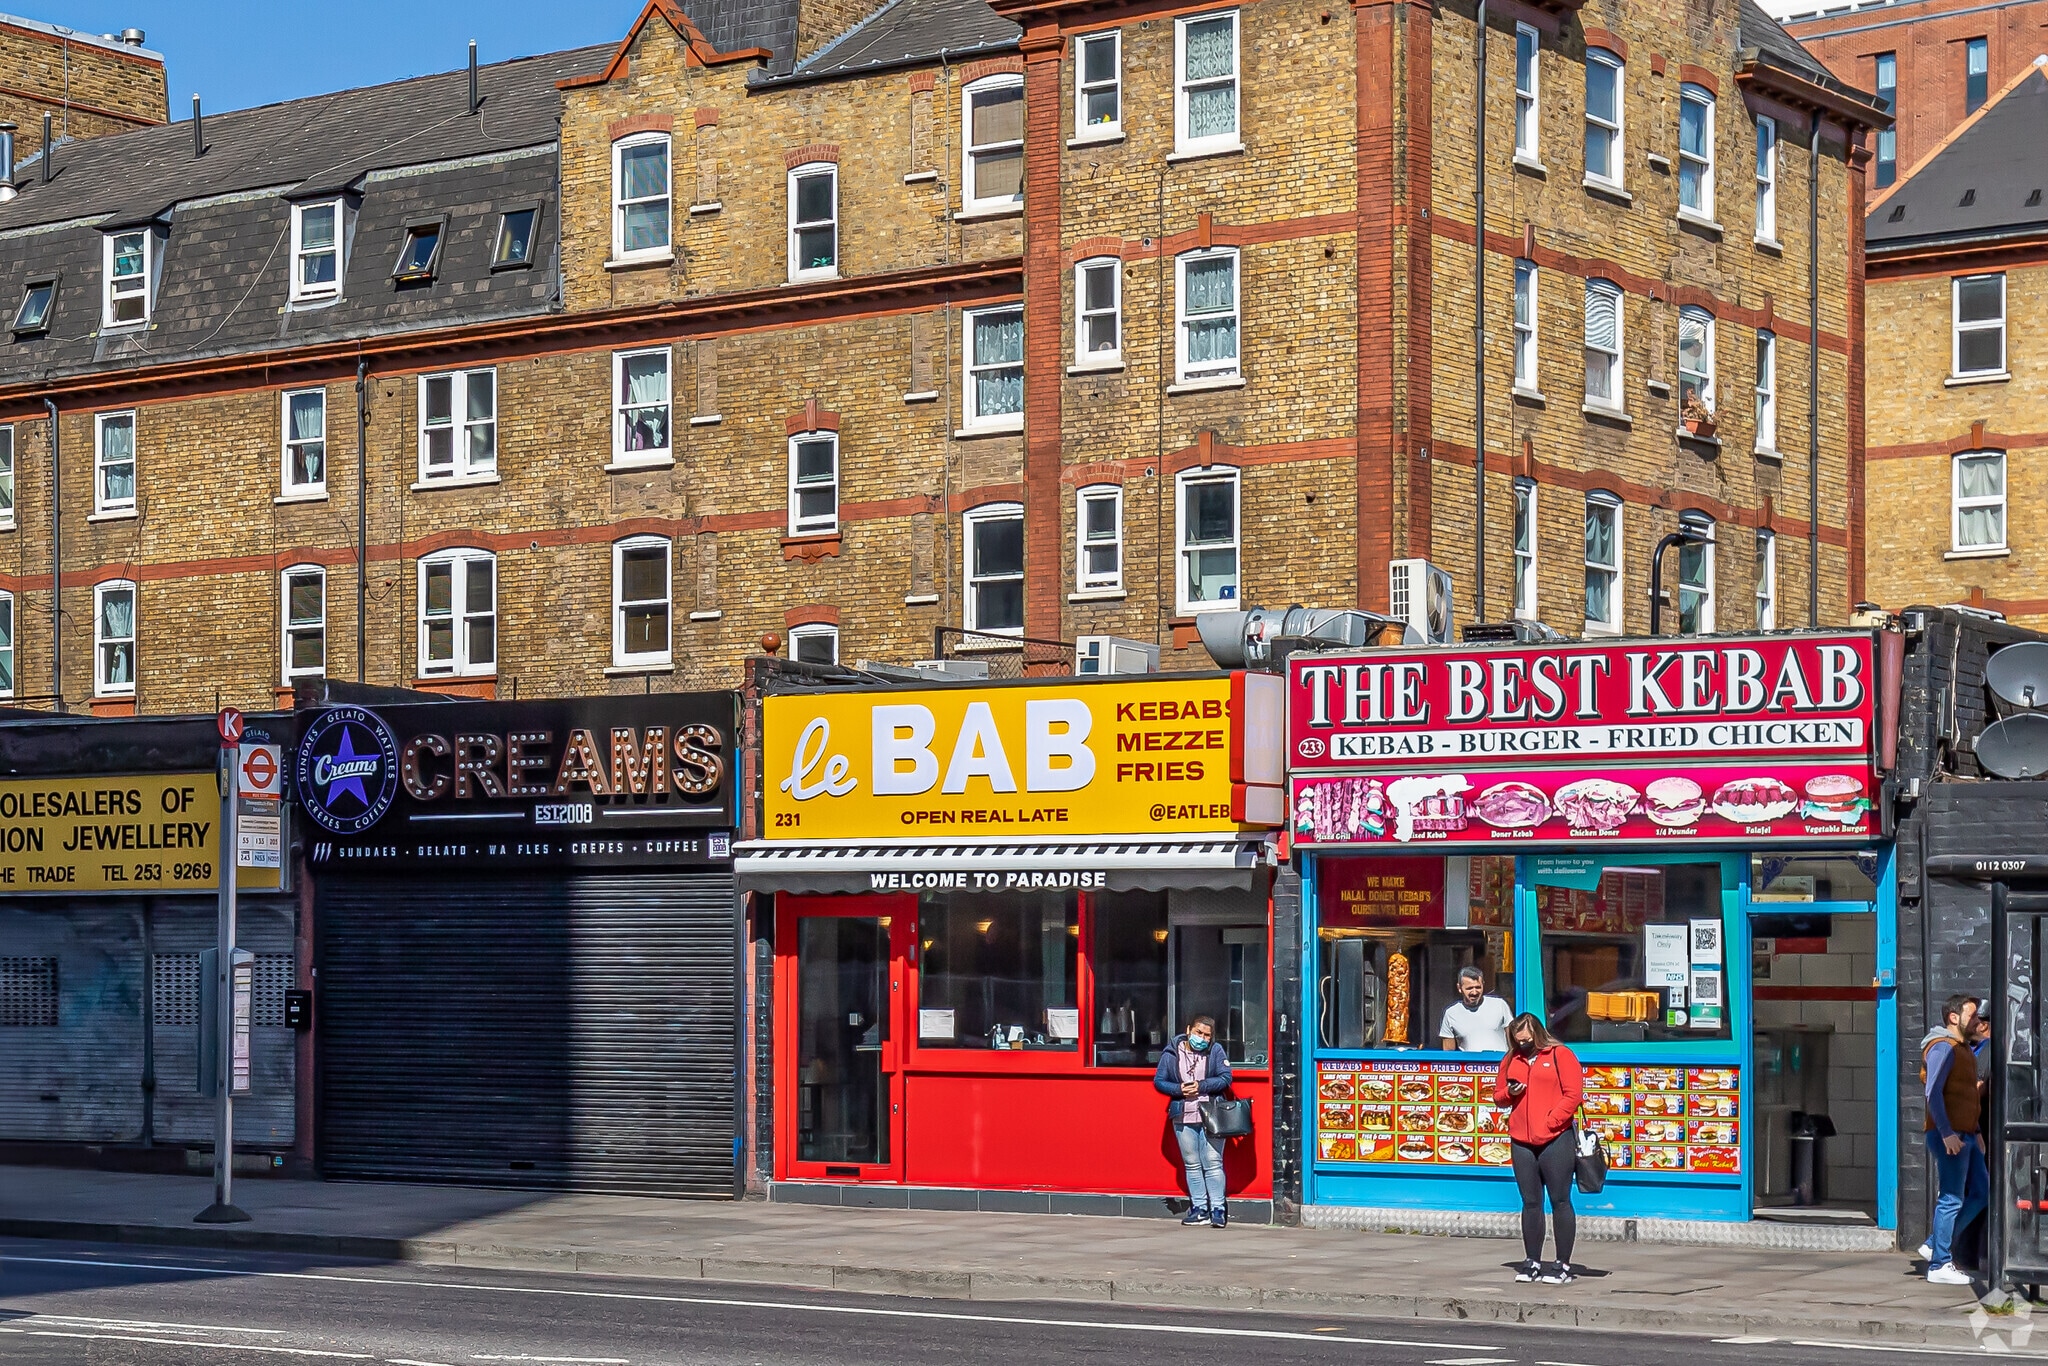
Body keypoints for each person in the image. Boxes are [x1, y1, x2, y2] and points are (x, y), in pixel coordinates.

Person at [1495, 1012, 1584, 1285]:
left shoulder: (1560, 1055)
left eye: (1526, 1040)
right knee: (1530, 1203)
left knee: (1560, 1201)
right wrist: (1512, 1092)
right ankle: (1532, 1260)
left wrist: (1553, 1120)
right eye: (1518, 1041)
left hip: (1556, 1139)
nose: (1523, 1045)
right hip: (1522, 1140)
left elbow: (1574, 1094)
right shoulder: (1511, 1059)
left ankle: (1562, 1264)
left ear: (1537, 1034)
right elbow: (1498, 1097)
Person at [1921, 993, 1988, 1286]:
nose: (1977, 1021)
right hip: (1950, 1136)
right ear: (1953, 1017)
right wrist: (1947, 1132)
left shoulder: (1963, 1050)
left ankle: (1937, 1243)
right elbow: (1933, 1092)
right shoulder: (1942, 1047)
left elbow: (1966, 1096)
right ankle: (1939, 1264)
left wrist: (1976, 1131)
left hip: (1966, 1134)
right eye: (1972, 1016)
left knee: (1982, 1192)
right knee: (1951, 1197)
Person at [1154, 1014, 1234, 1228]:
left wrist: (1201, 1086)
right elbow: (1159, 1081)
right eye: (1199, 1033)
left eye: (1207, 1035)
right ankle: (1199, 1209)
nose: (1202, 1038)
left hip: (1211, 1115)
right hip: (1183, 1114)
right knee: (1192, 1164)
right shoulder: (1172, 1052)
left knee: (1213, 1162)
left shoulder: (1216, 1051)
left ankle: (1218, 1209)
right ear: (1189, 1030)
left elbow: (1226, 1077)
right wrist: (1178, 1089)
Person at [1440, 965, 1514, 1052]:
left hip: (1500, 1063)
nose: (1474, 992)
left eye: (1478, 987)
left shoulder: (1500, 1005)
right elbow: (1449, 1053)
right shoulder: (1451, 1013)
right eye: (1469, 988)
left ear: (1483, 984)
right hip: (1470, 1064)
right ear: (1459, 988)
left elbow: (1512, 1043)